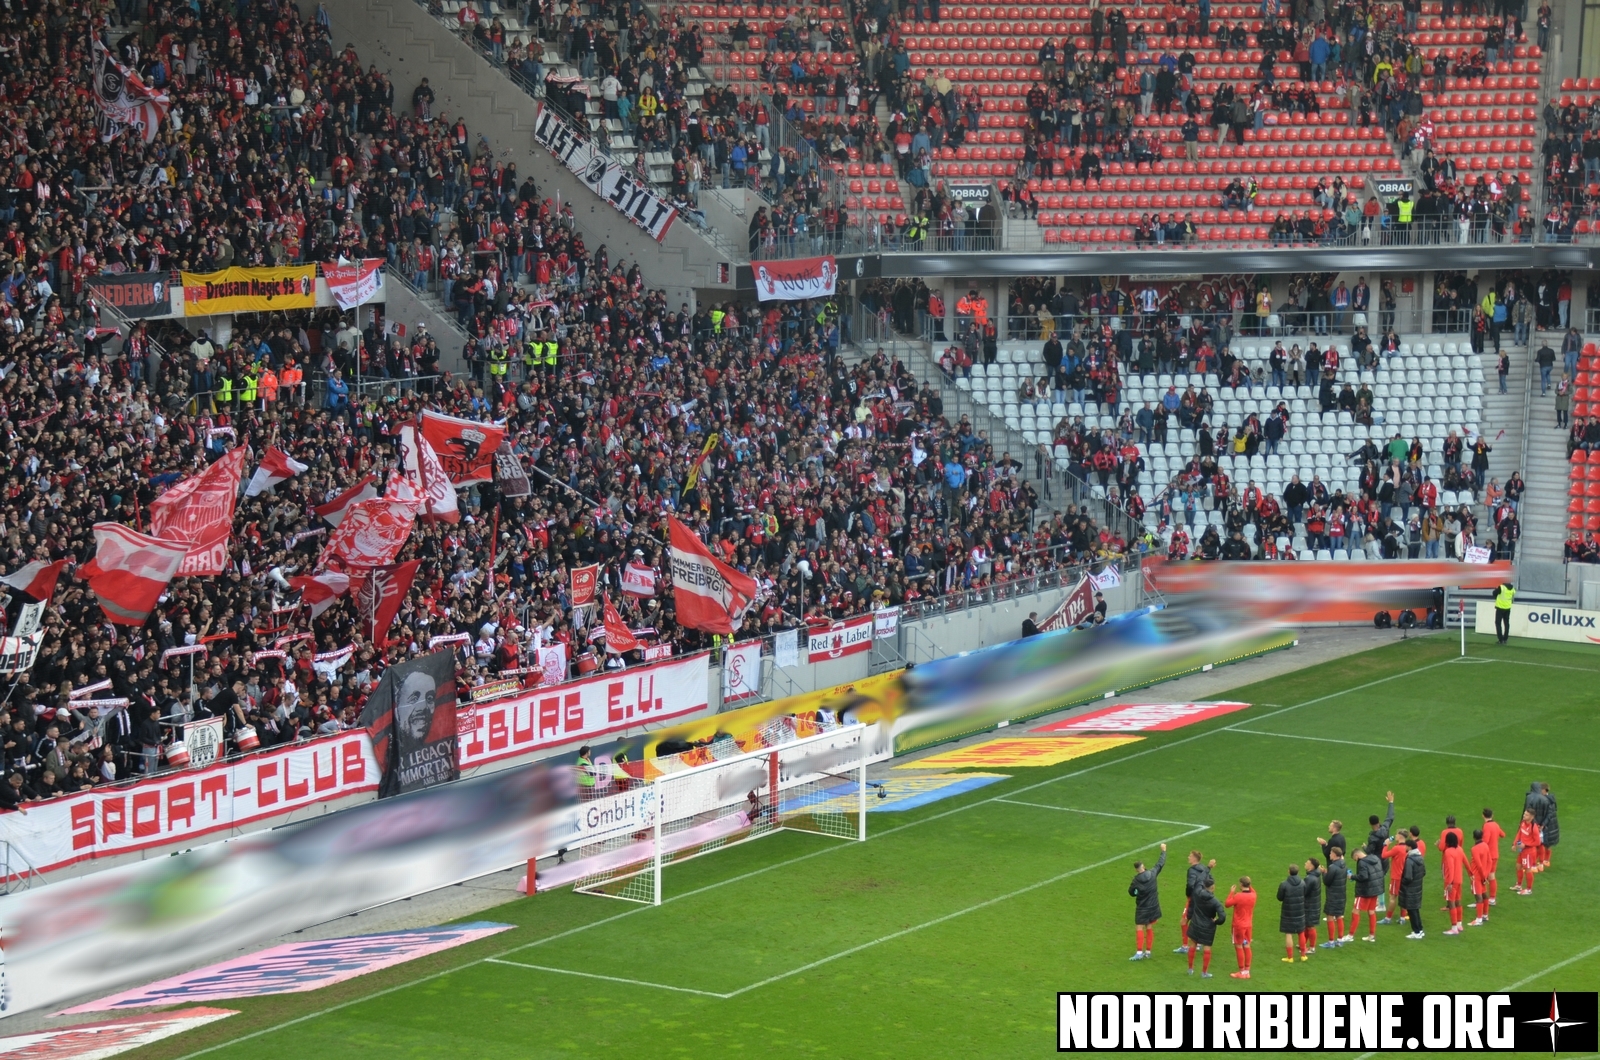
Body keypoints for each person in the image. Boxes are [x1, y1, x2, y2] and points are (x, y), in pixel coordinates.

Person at [1128, 843, 1167, 959]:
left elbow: (1131, 892)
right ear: (1143, 866)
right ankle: (1148, 952)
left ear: (1136, 870)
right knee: (1149, 927)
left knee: (1139, 927)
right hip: (1153, 906)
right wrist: (1163, 851)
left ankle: (1139, 953)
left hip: (1142, 907)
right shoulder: (1153, 873)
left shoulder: (1136, 880)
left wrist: (1137, 893)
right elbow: (1160, 863)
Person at [1186, 877, 1226, 978]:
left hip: (1195, 923)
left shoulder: (1197, 893)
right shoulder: (1215, 902)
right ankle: (1204, 973)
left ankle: (1190, 969)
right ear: (1213, 887)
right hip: (1208, 927)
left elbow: (1198, 883)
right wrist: (1216, 922)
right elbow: (1222, 917)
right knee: (1207, 947)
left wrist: (1207, 869)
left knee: (1192, 944)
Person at [1178, 850, 1216, 954]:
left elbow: (1190, 885)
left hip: (1193, 899)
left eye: (1190, 856)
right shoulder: (1204, 868)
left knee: (1183, 921)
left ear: (1195, 858)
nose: (1188, 857)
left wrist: (1189, 895)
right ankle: (1198, 944)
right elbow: (1211, 882)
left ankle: (1185, 946)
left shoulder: (1192, 870)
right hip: (1203, 899)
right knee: (1198, 920)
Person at [1224, 877, 1256, 978]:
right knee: (1247, 946)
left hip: (1238, 926)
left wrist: (1231, 892)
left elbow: (1227, 904)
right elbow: (1251, 889)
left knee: (1238, 946)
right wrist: (1248, 883)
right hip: (1248, 925)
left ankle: (1241, 972)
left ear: (1241, 884)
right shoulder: (1254, 895)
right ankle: (1247, 971)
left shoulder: (1238, 896)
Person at [1351, 846, 1386, 941]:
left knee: (1355, 910)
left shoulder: (1362, 862)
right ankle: (1372, 936)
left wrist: (1352, 877)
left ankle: (1350, 935)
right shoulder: (1375, 858)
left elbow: (1363, 876)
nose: (1356, 861)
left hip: (1365, 891)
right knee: (1371, 911)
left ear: (1357, 856)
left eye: (1355, 859)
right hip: (1376, 889)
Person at [1319, 845, 1349, 946]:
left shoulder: (1332, 867)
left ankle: (1331, 942)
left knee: (1330, 916)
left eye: (1331, 853)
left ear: (1335, 855)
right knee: (1339, 916)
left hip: (1333, 895)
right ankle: (1340, 940)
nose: (1329, 854)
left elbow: (1327, 882)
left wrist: (1323, 873)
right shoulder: (1344, 864)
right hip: (1342, 894)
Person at [1276, 864, 1306, 962]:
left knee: (1289, 933)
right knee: (1301, 932)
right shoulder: (1302, 883)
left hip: (1288, 911)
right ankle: (1303, 955)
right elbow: (1305, 894)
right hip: (1300, 910)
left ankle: (1290, 957)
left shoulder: (1284, 884)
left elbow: (1279, 897)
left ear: (1289, 872)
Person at [1440, 831, 1467, 934]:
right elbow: (1465, 861)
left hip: (1452, 881)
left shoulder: (1448, 852)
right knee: (1458, 901)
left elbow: (1451, 868)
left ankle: (1454, 928)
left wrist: (1449, 883)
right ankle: (1459, 924)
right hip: (1459, 879)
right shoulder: (1460, 849)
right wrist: (1470, 874)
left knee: (1451, 904)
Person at [1400, 838, 1427, 938]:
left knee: (1412, 910)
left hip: (1410, 889)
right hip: (1417, 887)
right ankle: (1419, 929)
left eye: (1406, 846)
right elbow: (1423, 872)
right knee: (1415, 909)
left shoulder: (1410, 860)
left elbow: (1408, 877)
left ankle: (1417, 932)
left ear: (1409, 847)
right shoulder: (1420, 858)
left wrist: (1402, 882)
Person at [1481, 807, 1507, 905]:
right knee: (1492, 876)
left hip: (1488, 856)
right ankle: (1492, 898)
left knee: (1483, 877)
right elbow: (1503, 834)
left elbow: (1485, 841)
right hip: (1495, 854)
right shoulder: (1495, 824)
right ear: (1492, 815)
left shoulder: (1486, 826)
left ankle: (1481, 898)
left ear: (1483, 815)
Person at [1468, 828, 1493, 926]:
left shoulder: (1474, 849)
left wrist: (1483, 877)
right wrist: (1486, 875)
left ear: (1474, 837)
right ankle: (1485, 915)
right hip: (1484, 875)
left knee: (1478, 897)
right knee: (1484, 895)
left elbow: (1478, 865)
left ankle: (1478, 919)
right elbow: (1490, 861)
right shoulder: (1485, 845)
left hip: (1477, 876)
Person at [1298, 856, 1322, 957]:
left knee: (1310, 926)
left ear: (1311, 866)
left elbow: (1305, 892)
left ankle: (1312, 948)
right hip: (1313, 904)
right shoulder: (1314, 876)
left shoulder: (1310, 878)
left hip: (1310, 906)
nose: (1305, 863)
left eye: (1307, 862)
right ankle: (1303, 944)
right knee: (1307, 925)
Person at [1524, 781, 1551, 870]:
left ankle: (1533, 865)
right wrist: (1542, 825)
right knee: (1540, 844)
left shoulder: (1530, 798)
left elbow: (1528, 812)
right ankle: (1541, 864)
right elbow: (1548, 814)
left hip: (1532, 824)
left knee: (1532, 845)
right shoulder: (1545, 799)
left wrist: (1533, 824)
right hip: (1542, 826)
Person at [1514, 808, 1541, 894]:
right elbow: (1519, 833)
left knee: (1528, 869)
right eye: (1524, 814)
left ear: (1532, 817)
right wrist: (1514, 844)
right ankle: (1519, 885)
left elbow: (1538, 842)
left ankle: (1529, 890)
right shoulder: (1523, 823)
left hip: (1529, 851)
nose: (1524, 816)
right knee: (1518, 866)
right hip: (1522, 850)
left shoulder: (1534, 827)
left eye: (1526, 815)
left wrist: (1525, 845)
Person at [1539, 783, 1559, 870]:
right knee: (1547, 844)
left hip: (1547, 825)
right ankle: (1546, 861)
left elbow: (1547, 814)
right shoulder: (1552, 799)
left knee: (1542, 843)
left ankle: (1541, 863)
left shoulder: (1545, 800)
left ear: (1544, 790)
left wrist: (1543, 824)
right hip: (1553, 824)